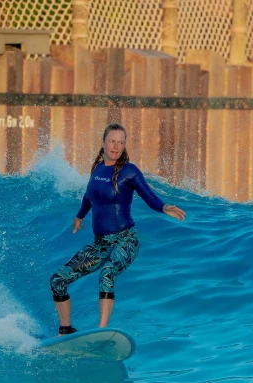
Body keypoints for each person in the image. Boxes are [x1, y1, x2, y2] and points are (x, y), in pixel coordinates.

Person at [49, 123, 186, 335]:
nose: (116, 146)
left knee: (107, 274)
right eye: (112, 141)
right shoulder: (97, 169)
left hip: (126, 240)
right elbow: (89, 195)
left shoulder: (129, 171)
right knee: (58, 279)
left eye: (121, 142)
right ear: (103, 143)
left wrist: (164, 207)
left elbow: (148, 196)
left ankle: (101, 332)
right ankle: (65, 331)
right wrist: (79, 215)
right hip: (100, 243)